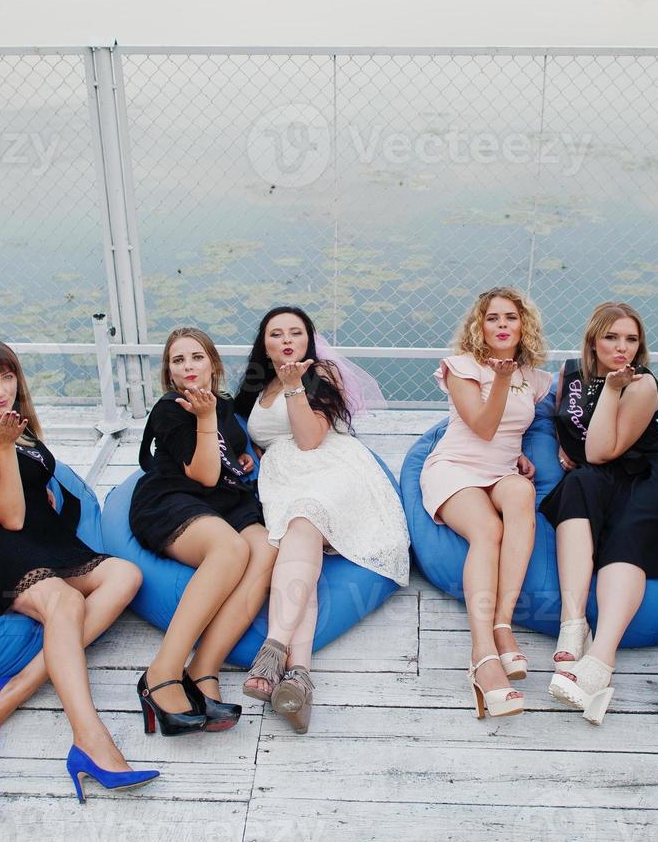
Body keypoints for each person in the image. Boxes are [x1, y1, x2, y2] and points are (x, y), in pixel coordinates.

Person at [0, 338, 157, 801]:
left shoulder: (18, 429)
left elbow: (31, 492)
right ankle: (89, 738)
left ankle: (13, 691)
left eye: (6, 376)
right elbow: (9, 517)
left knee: (126, 575)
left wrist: (41, 488)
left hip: (40, 541)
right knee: (64, 600)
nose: (0, 389)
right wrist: (3, 450)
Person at [235, 306, 410, 734]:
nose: (286, 339)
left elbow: (310, 440)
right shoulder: (258, 386)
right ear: (265, 343)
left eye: (296, 332)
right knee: (299, 538)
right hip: (282, 476)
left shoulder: (321, 373)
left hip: (329, 467)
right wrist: (245, 455)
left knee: (306, 515)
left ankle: (273, 645)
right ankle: (298, 675)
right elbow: (254, 435)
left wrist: (296, 387)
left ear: (308, 340)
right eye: (276, 333)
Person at [541, 302, 658, 724]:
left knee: (628, 533)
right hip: (599, 478)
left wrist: (611, 388)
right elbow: (566, 425)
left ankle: (602, 659)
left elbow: (599, 450)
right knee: (574, 487)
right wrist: (558, 446)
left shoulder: (641, 384)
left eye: (631, 339)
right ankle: (573, 623)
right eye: (611, 337)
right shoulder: (570, 372)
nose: (622, 347)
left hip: (646, 478)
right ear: (593, 339)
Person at [129, 327, 277, 735]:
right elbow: (205, 474)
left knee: (265, 549)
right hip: (173, 498)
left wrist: (245, 457)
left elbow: (227, 454)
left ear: (212, 364)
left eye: (196, 357)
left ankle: (203, 669)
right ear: (170, 373)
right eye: (178, 360)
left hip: (224, 499)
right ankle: (161, 674)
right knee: (230, 550)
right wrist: (206, 418)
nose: (188, 366)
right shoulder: (170, 409)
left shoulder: (223, 404)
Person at [418, 287, 552, 718]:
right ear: (480, 325)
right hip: (455, 466)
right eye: (492, 318)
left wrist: (522, 454)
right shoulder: (461, 367)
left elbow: (512, 431)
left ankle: (503, 625)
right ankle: (481, 655)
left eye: (510, 317)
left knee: (523, 492)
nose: (501, 325)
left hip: (501, 471)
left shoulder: (533, 377)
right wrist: (497, 378)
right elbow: (483, 426)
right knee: (488, 530)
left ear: (522, 324)